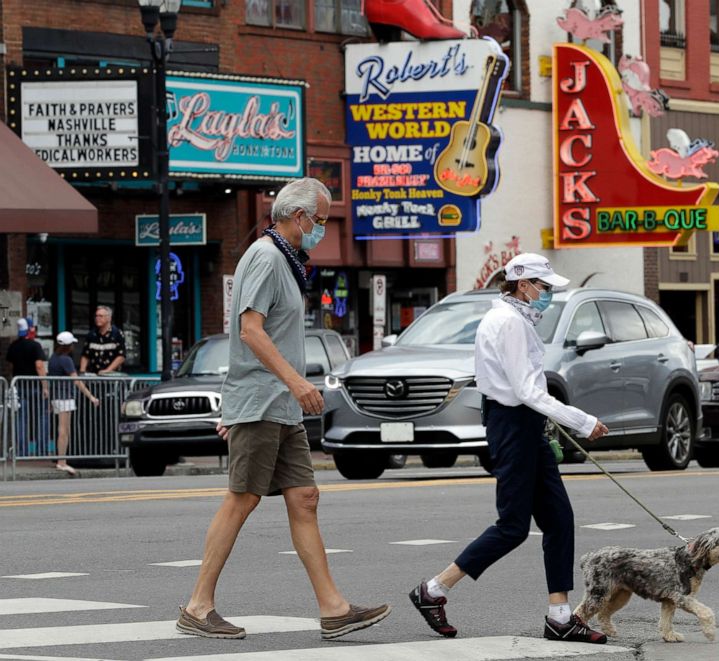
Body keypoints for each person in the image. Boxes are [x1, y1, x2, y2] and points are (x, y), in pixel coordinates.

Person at [177, 177, 390, 641]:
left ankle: (333, 608)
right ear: (300, 217)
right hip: (266, 400)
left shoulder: (287, 261)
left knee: (305, 499)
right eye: (322, 220)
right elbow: (249, 330)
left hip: (281, 405)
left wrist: (288, 390)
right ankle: (198, 605)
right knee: (243, 498)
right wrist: (289, 384)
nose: (322, 229)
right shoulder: (266, 257)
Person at [409, 252, 611, 644]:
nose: (548, 294)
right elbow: (526, 391)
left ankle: (559, 615)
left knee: (558, 519)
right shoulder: (508, 323)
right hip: (513, 425)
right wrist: (583, 422)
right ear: (523, 285)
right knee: (513, 527)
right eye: (545, 287)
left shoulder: (509, 318)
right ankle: (433, 589)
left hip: (522, 424)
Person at [48, 331, 100, 476]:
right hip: (65, 397)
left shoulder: (53, 358)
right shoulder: (66, 360)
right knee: (64, 430)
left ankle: (62, 460)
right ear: (68, 346)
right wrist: (91, 397)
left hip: (57, 396)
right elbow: (76, 381)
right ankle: (62, 462)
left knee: (64, 430)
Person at [5, 318, 50, 457]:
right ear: (30, 330)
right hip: (35, 387)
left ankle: (22, 452)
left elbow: (11, 366)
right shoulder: (35, 345)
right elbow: (39, 366)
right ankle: (41, 451)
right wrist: (45, 386)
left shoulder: (13, 346)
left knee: (21, 420)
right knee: (41, 418)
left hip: (20, 386)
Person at [80, 305, 126, 375]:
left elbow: (121, 356)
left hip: (112, 377)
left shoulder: (117, 333)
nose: (97, 318)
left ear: (109, 318)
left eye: (101, 316)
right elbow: (85, 355)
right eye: (96, 316)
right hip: (94, 375)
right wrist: (82, 372)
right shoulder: (91, 334)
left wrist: (108, 370)